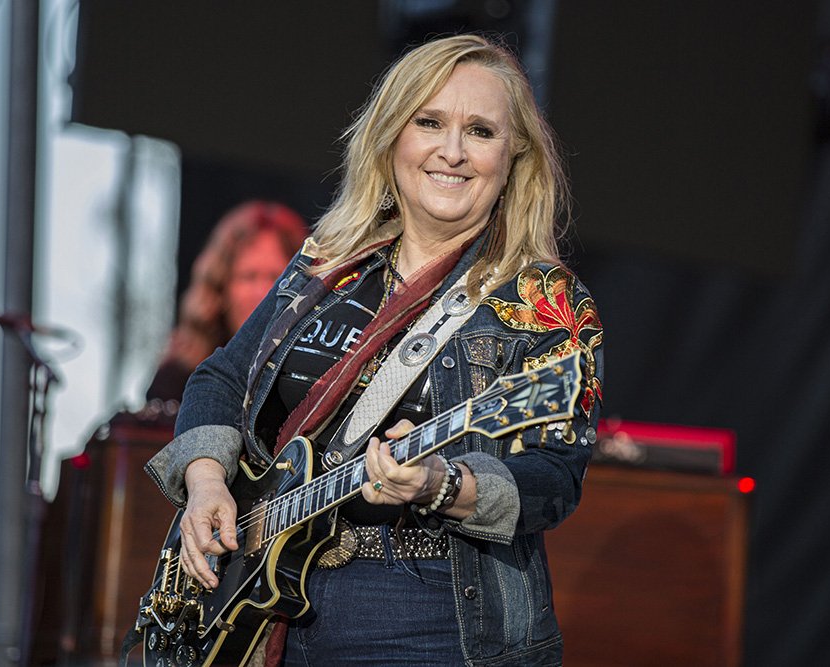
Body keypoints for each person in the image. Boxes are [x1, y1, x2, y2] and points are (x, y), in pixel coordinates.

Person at [146, 34, 604, 666]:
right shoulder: (326, 265)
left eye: (480, 131)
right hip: (264, 607)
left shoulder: (543, 297)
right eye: (430, 122)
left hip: (432, 619)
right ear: (392, 137)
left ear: (513, 154)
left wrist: (443, 485)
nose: (452, 151)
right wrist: (204, 484)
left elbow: (556, 480)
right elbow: (221, 377)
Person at [144, 200, 309, 403]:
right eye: (249, 276)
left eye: (275, 278)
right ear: (220, 287)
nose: (263, 293)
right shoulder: (179, 376)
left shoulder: (311, 375)